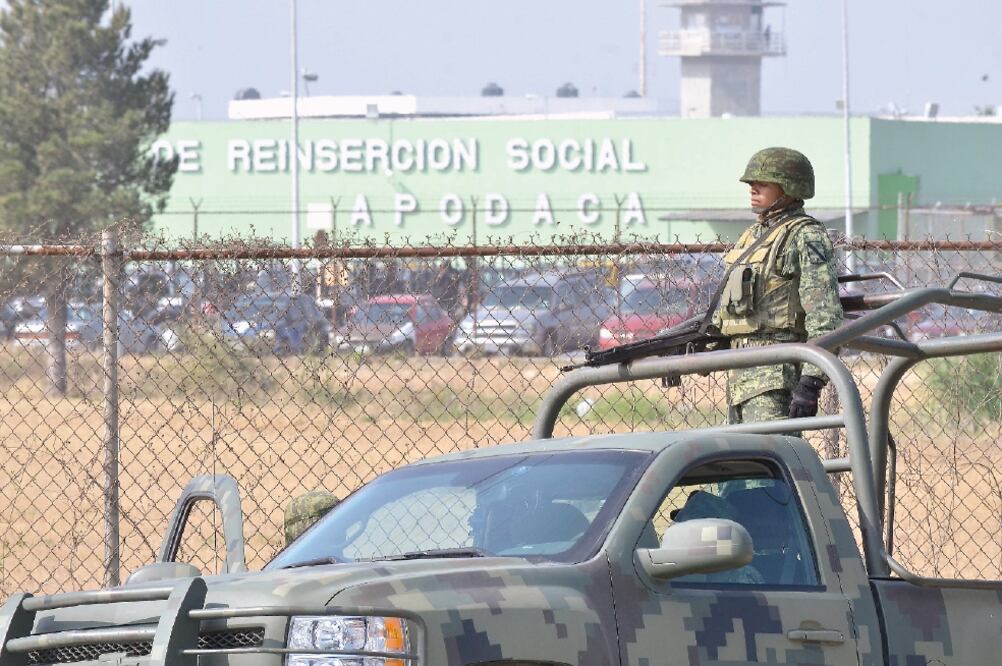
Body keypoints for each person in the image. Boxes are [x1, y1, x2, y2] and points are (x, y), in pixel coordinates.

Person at [715, 147, 843, 423]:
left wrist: (811, 382)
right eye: (751, 182)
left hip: (776, 378)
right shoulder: (751, 236)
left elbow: (825, 313)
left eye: (763, 182)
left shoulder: (805, 236)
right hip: (739, 375)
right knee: (741, 464)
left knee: (771, 459)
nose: (752, 188)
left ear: (789, 188)